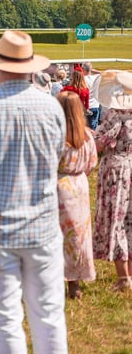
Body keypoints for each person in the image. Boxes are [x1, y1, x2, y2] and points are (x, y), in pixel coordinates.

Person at [0, 30, 68, 354]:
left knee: (5, 320)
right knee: (49, 315)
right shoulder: (51, 107)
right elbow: (56, 157)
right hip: (42, 226)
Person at [55, 91, 98, 299]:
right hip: (79, 184)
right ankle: (75, 282)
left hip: (58, 185)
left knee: (57, 235)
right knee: (78, 236)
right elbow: (92, 163)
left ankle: (56, 279)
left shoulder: (55, 136)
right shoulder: (87, 135)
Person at [92, 70, 132, 292]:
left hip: (117, 169)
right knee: (129, 219)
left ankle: (123, 277)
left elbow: (99, 143)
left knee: (116, 218)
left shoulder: (115, 116)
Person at [82, 62, 102, 129]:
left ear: (83, 69)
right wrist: (91, 70)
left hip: (85, 107)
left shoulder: (82, 79)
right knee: (93, 129)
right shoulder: (96, 77)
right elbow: (103, 73)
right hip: (94, 106)